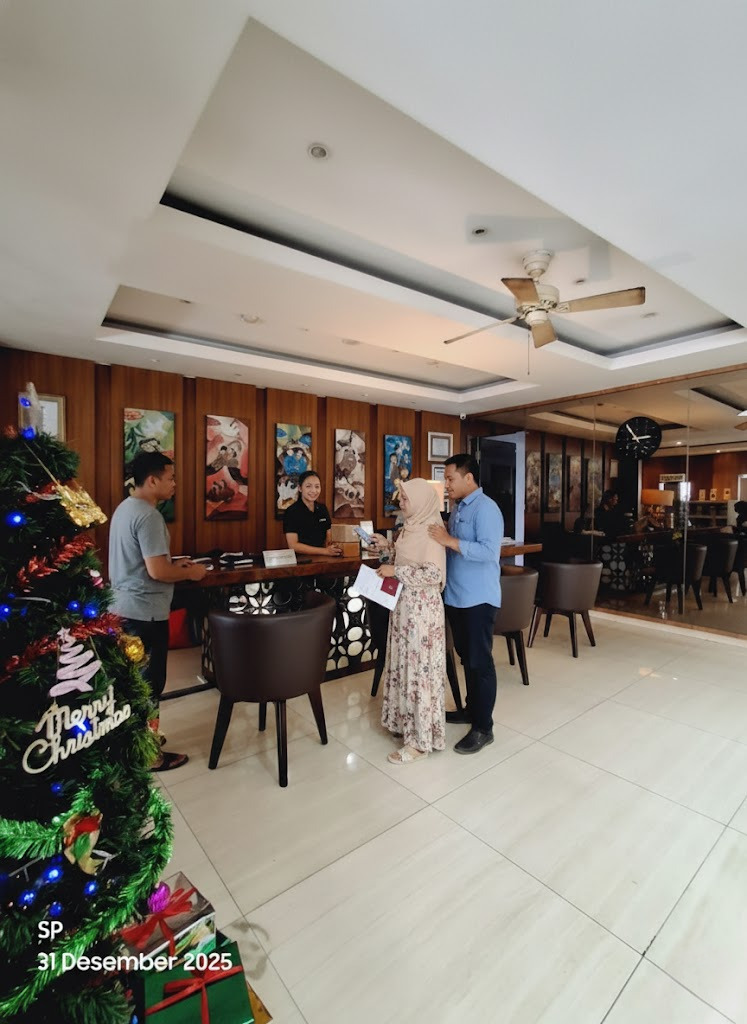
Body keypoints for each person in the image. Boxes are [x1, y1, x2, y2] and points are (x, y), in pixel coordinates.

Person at [108, 452, 208, 771]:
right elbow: (157, 572)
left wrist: (173, 564)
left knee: (134, 683)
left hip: (123, 609)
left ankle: (137, 741)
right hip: (144, 614)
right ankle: (149, 754)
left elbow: (147, 563)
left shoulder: (125, 508)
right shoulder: (149, 516)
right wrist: (192, 573)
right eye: (170, 478)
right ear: (152, 480)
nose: (175, 484)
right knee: (149, 685)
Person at [428, 454, 503, 755]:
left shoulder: (487, 508)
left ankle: (484, 727)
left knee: (479, 662)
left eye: (450, 478)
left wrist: (448, 540)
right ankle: (472, 711)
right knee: (466, 658)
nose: (446, 484)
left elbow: (489, 552)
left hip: (478, 598)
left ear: (468, 478)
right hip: (456, 596)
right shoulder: (458, 507)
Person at [370, 479, 446, 764]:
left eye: (405, 499)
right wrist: (387, 548)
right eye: (400, 498)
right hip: (403, 608)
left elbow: (433, 575)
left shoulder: (432, 532)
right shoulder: (408, 528)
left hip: (422, 613)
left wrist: (396, 571)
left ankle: (420, 741)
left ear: (421, 501)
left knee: (419, 671)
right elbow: (404, 560)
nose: (400, 503)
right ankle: (405, 723)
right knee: (404, 666)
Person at [283, 470, 342, 557]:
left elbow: (329, 536)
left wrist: (332, 548)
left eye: (317, 486)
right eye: (308, 486)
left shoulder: (322, 509)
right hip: (301, 560)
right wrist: (324, 551)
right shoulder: (291, 511)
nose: (313, 490)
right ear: (300, 488)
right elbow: (293, 545)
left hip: (324, 558)